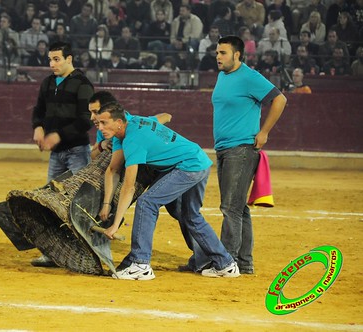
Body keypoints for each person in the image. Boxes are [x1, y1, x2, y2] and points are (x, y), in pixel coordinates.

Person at [96, 102, 239, 280]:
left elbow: (129, 187)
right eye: (98, 123)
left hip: (188, 166)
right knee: (190, 215)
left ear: (118, 122)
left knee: (147, 202)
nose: (100, 128)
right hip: (198, 160)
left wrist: (115, 224)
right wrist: (106, 204)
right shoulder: (126, 127)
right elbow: (113, 169)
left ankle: (140, 264)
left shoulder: (133, 139)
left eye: (104, 123)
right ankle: (226, 264)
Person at [210, 35, 287, 275]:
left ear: (237, 55)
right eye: (217, 53)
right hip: (224, 148)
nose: (218, 57)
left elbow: (280, 99)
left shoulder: (250, 76)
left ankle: (227, 263)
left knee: (230, 208)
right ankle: (243, 263)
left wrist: (264, 131)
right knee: (238, 207)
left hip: (241, 149)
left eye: (223, 53)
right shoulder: (222, 76)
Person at [31, 41, 94, 267]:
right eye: (50, 59)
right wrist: (38, 127)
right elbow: (38, 110)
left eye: (56, 59)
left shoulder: (82, 84)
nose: (52, 64)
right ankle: (52, 253)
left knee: (81, 203)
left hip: (77, 151)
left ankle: (85, 251)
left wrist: (58, 135)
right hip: (57, 154)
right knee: (52, 201)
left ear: (69, 59)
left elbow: (86, 120)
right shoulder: (48, 83)